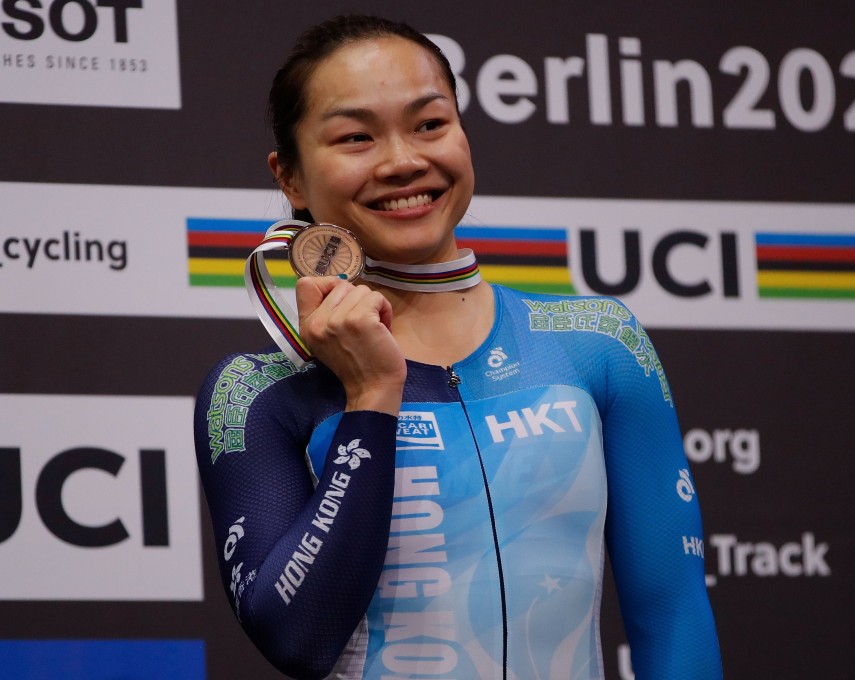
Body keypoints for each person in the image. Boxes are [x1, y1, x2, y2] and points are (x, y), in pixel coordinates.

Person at [194, 14, 722, 680]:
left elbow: (672, 614)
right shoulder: (258, 391)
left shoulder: (600, 343)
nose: (403, 161)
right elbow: (298, 639)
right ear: (290, 177)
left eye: (430, 124)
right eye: (356, 137)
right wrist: (370, 395)